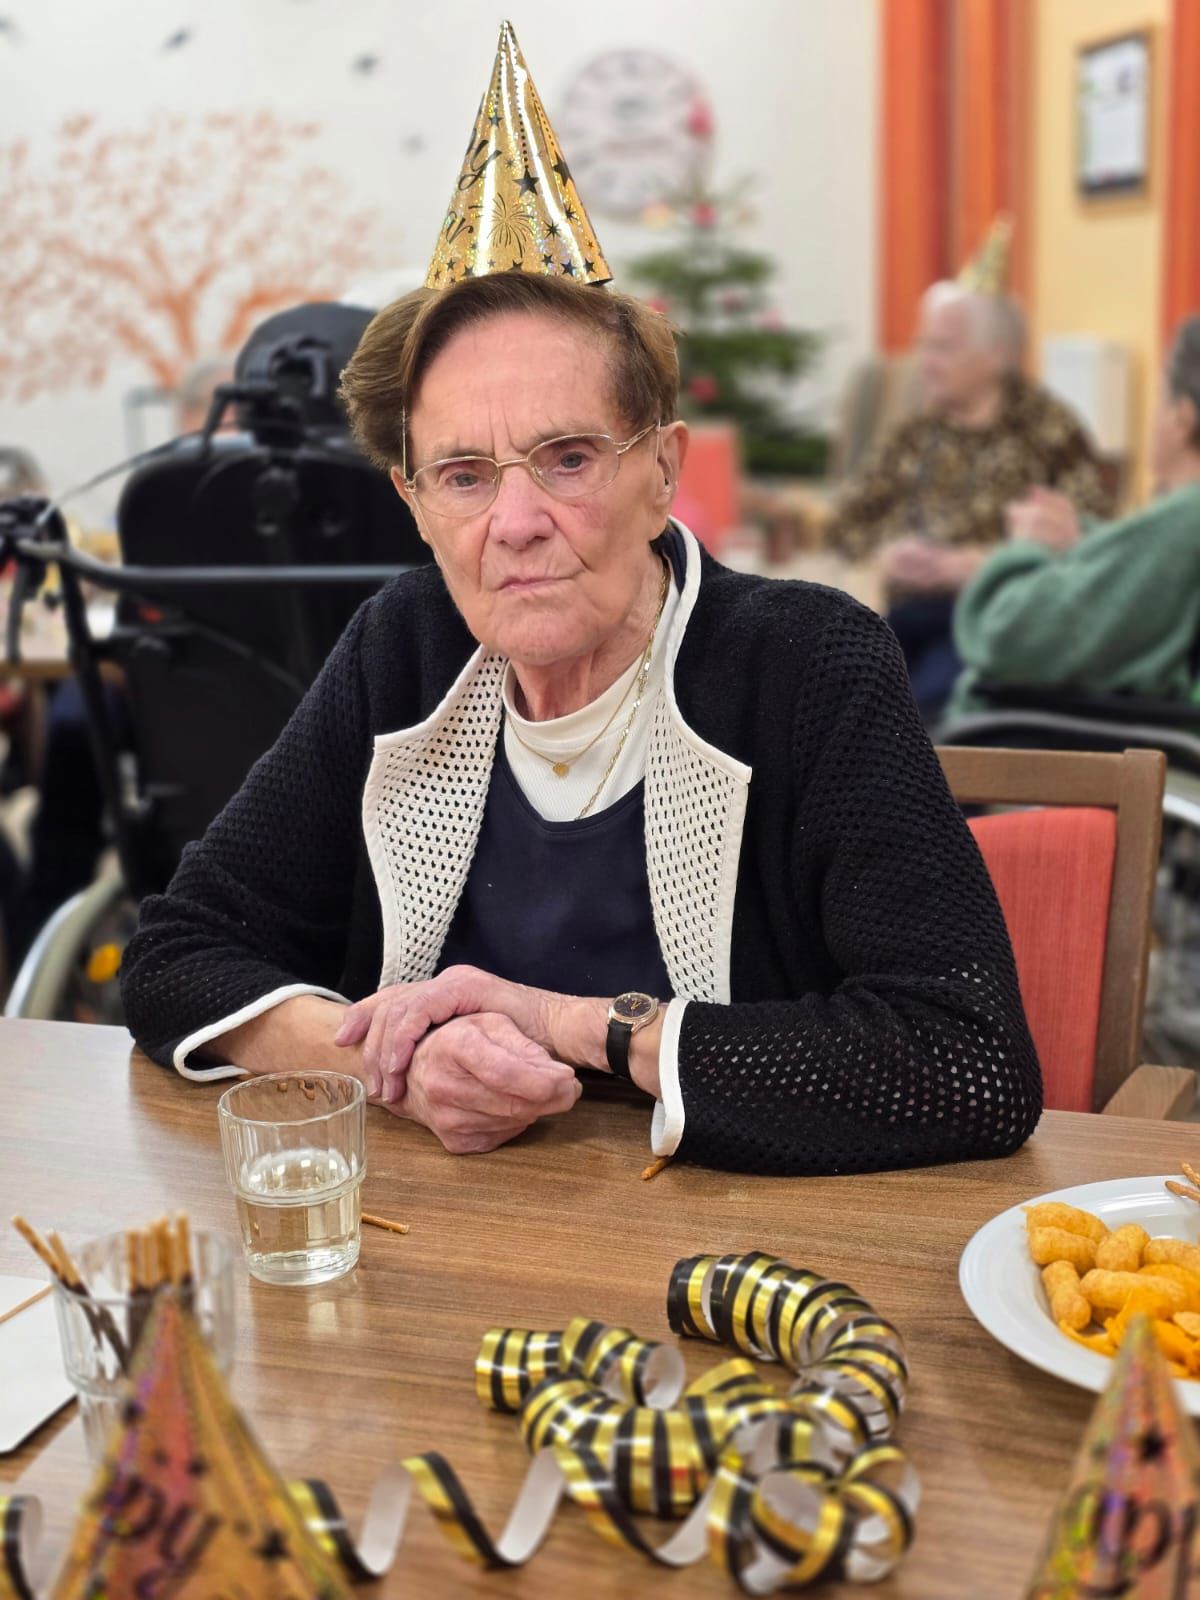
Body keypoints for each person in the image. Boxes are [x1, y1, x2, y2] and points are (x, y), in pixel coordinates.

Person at [118, 26, 1040, 1177]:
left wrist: (575, 1024)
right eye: (462, 475)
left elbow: (968, 1060)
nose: (514, 522)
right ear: (412, 502)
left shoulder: (808, 664)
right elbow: (173, 951)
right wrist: (390, 1062)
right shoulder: (402, 646)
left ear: (661, 472)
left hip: (740, 1273)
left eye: (565, 457)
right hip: (442, 1259)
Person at [826, 236, 1112, 718]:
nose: (926, 363)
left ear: (997, 355)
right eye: (925, 346)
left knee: (921, 716)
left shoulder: (1050, 431)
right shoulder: (915, 431)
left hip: (988, 625)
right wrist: (889, 554)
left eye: (943, 348)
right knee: (838, 698)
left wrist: (980, 565)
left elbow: (1094, 549)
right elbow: (847, 521)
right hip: (906, 613)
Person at [951, 315, 1200, 712]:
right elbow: (1138, 568)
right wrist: (1082, 540)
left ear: (1182, 419)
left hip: (1046, 739)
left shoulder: (1187, 519)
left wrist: (1027, 547)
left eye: (1158, 395)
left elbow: (1004, 635)